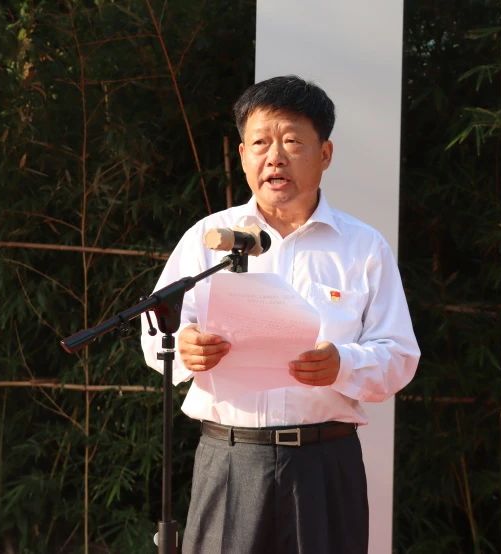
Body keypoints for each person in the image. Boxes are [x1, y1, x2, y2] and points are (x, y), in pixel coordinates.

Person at [141, 75, 420, 554]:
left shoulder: (362, 247)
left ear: (325, 154)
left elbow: (398, 355)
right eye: (260, 143)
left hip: (324, 463)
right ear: (242, 155)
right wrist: (185, 347)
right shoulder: (209, 238)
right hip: (230, 460)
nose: (275, 157)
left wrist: (343, 364)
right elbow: (155, 334)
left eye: (292, 142)